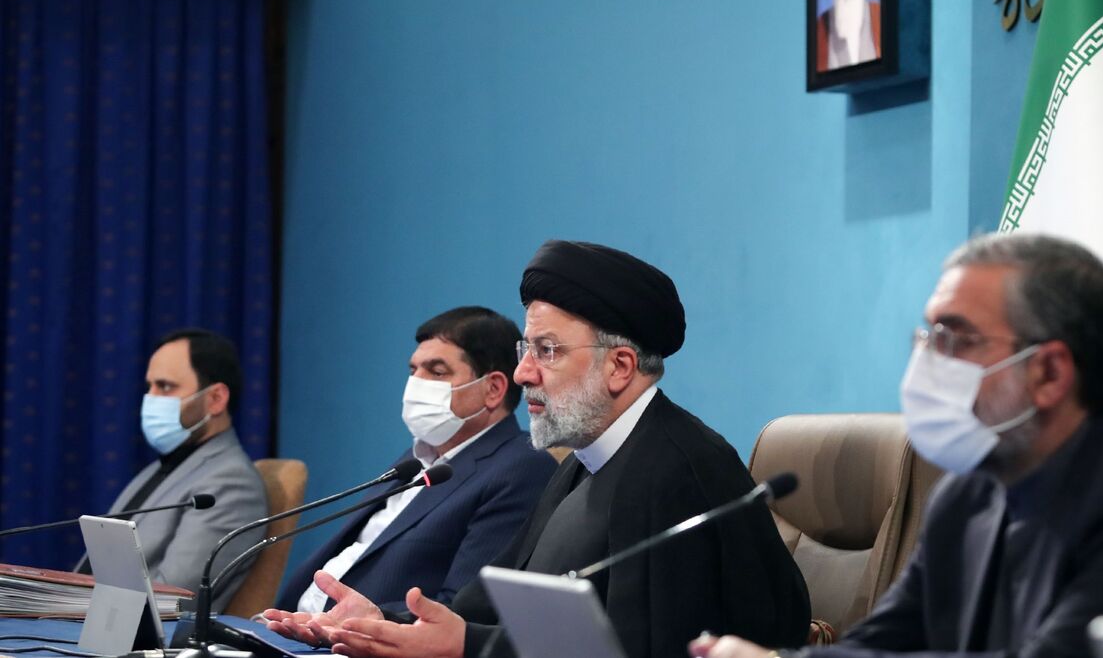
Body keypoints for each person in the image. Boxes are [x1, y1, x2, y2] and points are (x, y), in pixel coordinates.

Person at [690, 233, 1103, 658]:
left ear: (1049, 373)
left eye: (955, 339)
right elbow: (882, 645)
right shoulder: (969, 495)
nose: (927, 361)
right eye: (927, 336)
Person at [265, 240, 810, 658]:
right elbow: (485, 604)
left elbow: (639, 649)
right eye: (526, 349)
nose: (523, 372)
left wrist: (464, 645)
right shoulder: (582, 464)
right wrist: (385, 624)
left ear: (620, 367)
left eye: (547, 351)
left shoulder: (677, 470)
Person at [270, 307, 556, 612]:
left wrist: (362, 622)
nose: (416, 383)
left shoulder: (519, 469)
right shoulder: (416, 460)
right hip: (290, 625)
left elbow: (464, 609)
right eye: (413, 370)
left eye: (437, 372)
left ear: (493, 389)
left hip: (354, 635)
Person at [76, 328, 268, 611]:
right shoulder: (162, 468)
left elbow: (172, 599)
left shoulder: (231, 483)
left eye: (165, 387)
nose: (150, 399)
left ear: (216, 399)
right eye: (150, 386)